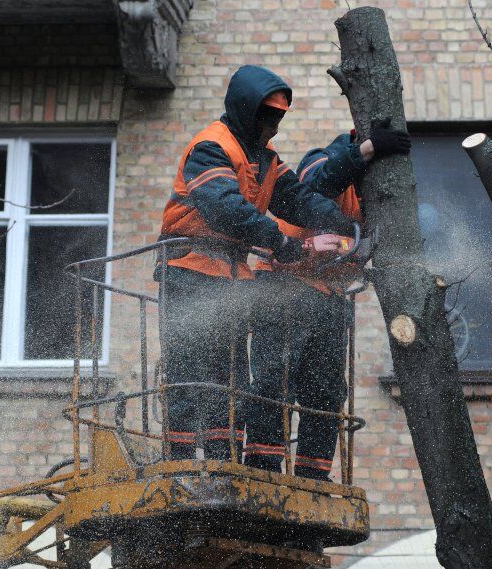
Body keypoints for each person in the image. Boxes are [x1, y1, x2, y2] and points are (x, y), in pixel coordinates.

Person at [156, 65, 356, 461]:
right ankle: (179, 462)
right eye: (268, 116)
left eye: (279, 117)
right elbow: (224, 207)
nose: (274, 126)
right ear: (247, 110)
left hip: (230, 274)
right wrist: (277, 240)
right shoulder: (211, 146)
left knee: (230, 373)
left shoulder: (266, 160)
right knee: (189, 367)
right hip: (189, 268)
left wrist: (341, 224)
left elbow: (296, 199)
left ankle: (223, 458)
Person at [244, 123, 411, 480]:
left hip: (330, 297)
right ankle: (262, 468)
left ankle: (313, 476)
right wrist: (365, 151)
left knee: (326, 392)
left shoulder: (375, 196)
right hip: (283, 285)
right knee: (275, 381)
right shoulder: (323, 161)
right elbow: (313, 186)